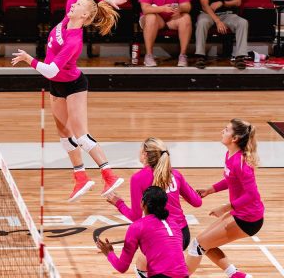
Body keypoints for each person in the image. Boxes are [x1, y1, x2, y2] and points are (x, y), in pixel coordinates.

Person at [11, 0, 127, 202]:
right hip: (57, 87)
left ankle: (109, 175)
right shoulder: (67, 18)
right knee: (65, 136)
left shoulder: (74, 41)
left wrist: (29, 60)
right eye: (76, 2)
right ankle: (81, 178)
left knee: (80, 135)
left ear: (84, 16)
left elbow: (51, 70)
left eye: (79, 4)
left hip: (74, 86)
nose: (74, 3)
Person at [106, 137, 201, 277]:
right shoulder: (175, 174)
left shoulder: (138, 178)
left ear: (145, 154)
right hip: (182, 234)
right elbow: (197, 202)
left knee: (144, 266)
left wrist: (118, 203)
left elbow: (136, 217)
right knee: (153, 265)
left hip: (159, 235)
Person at [186, 119, 264, 278]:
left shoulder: (241, 162)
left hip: (248, 219)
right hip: (240, 214)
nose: (222, 131)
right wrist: (210, 190)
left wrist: (225, 207)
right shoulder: (230, 155)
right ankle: (235, 275)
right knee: (202, 243)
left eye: (226, 130)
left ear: (235, 138)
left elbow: (252, 195)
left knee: (198, 245)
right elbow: (230, 179)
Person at [97, 186, 189, 277]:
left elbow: (122, 267)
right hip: (184, 275)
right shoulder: (175, 225)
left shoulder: (137, 227)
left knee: (141, 266)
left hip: (161, 276)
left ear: (142, 203)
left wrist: (109, 253)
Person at [195, 0, 248, 70]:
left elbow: (238, 2)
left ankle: (240, 57)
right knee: (202, 22)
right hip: (208, 14)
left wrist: (222, 2)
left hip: (227, 14)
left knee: (243, 22)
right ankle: (200, 56)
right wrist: (217, 21)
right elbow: (205, 5)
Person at [138, 0, 192, 67]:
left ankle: (183, 55)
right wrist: (163, 8)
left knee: (186, 17)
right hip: (155, 18)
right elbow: (145, 9)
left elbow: (188, 6)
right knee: (151, 17)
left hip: (172, 18)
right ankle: (148, 55)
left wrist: (179, 8)